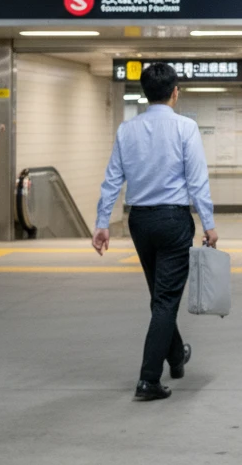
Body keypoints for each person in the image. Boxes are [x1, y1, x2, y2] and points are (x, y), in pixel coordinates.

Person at [93, 62, 218, 402]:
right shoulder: (185, 127)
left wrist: (103, 223)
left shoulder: (126, 130)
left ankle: (176, 356)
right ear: (175, 92)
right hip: (173, 220)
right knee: (165, 299)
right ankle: (148, 379)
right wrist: (208, 223)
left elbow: (112, 179)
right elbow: (197, 179)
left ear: (145, 93)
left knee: (160, 295)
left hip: (140, 222)